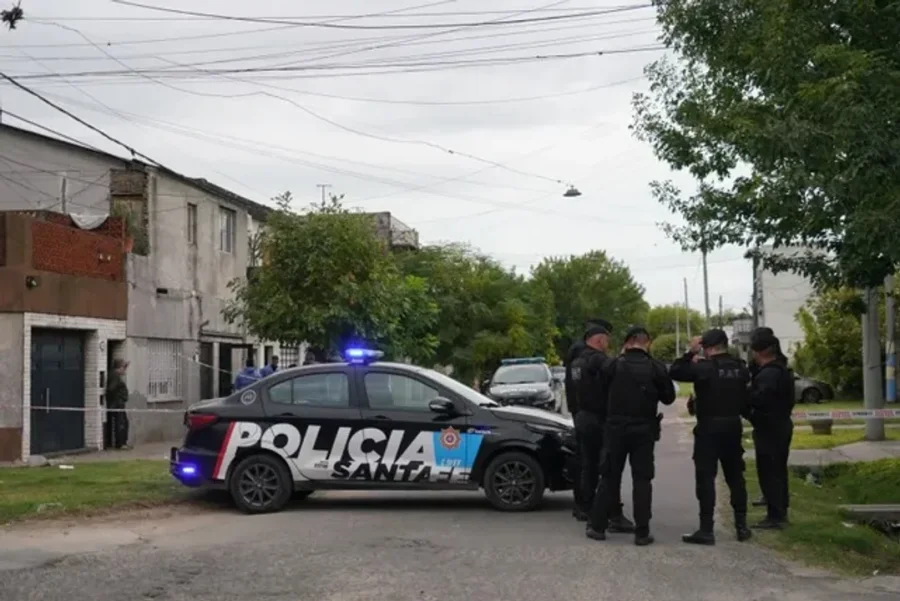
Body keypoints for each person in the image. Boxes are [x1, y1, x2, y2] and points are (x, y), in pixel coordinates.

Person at [586, 326, 675, 545]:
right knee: (642, 479)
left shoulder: (612, 365)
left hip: (615, 429)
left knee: (609, 476)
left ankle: (598, 526)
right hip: (644, 430)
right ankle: (642, 532)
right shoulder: (656, 367)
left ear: (627, 343)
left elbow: (599, 391)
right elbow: (669, 398)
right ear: (648, 343)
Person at [670, 329, 753, 545]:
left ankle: (706, 529)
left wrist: (691, 352)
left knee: (706, 477)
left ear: (708, 347)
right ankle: (741, 526)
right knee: (735, 477)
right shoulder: (740, 367)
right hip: (733, 426)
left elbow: (675, 371)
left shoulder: (704, 368)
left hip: (709, 427)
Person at [571, 322, 634, 532]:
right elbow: (616, 371)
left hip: (582, 416)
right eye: (606, 340)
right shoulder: (597, 359)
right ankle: (613, 514)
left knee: (588, 467)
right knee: (608, 468)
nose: (608, 345)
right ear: (599, 340)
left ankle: (587, 508)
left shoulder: (577, 361)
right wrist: (624, 355)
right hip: (600, 419)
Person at [747, 331, 795, 529]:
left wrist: (745, 398)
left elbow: (760, 399)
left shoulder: (769, 374)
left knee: (769, 471)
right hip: (780, 424)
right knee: (778, 470)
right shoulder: (781, 369)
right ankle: (780, 509)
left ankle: (775, 516)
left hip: (769, 426)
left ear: (760, 351)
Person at [564, 318, 610, 520]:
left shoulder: (576, 355)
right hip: (591, 413)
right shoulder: (590, 357)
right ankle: (587, 505)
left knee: (585, 461)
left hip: (580, 412)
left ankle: (582, 504)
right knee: (591, 463)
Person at [106, 358, 130, 450]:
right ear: (119, 368)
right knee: (121, 423)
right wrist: (117, 398)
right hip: (117, 404)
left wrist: (126, 365)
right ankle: (121, 443)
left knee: (123, 422)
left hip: (118, 403)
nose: (124, 370)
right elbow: (111, 389)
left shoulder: (115, 374)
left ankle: (121, 442)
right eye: (123, 368)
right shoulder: (115, 376)